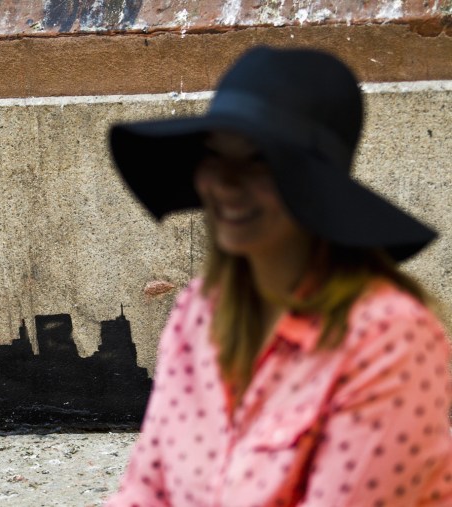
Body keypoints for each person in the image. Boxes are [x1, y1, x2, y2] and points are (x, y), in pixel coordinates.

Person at [105, 46, 452, 506]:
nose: (225, 183)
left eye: (258, 160)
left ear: (316, 186)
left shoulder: (387, 339)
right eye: (213, 155)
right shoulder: (199, 311)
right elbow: (146, 489)